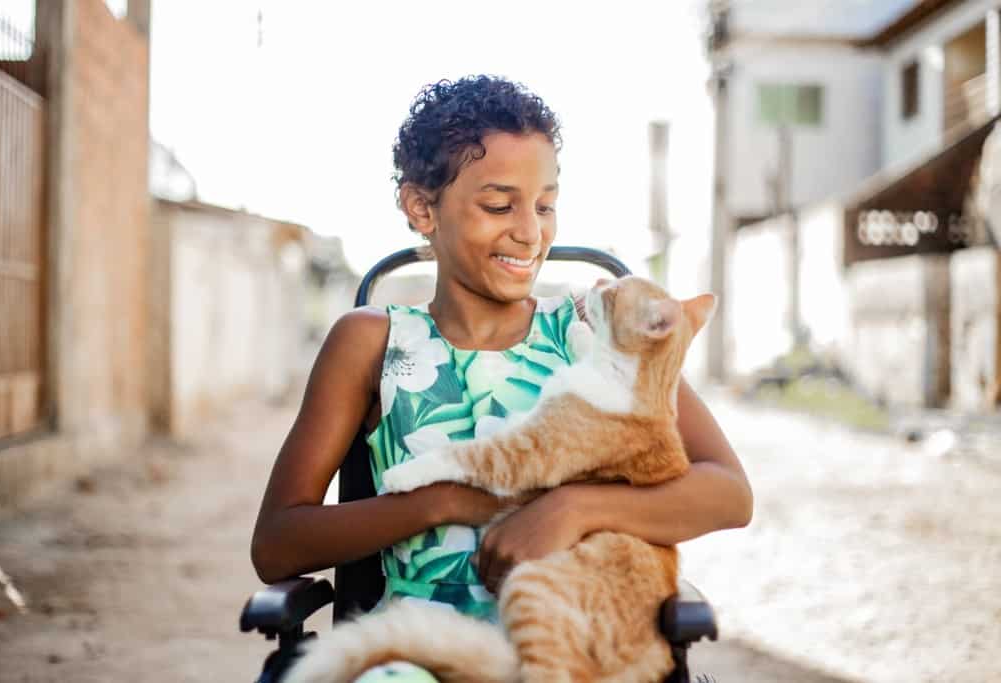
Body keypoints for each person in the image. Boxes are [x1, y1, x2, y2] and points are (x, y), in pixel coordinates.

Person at [251, 75, 753, 679]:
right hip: (417, 653)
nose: (530, 231)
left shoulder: (592, 336)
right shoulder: (373, 342)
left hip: (574, 651)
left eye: (545, 205)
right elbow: (277, 541)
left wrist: (572, 508)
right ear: (421, 208)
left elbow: (729, 492)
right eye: (498, 205)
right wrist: (442, 502)